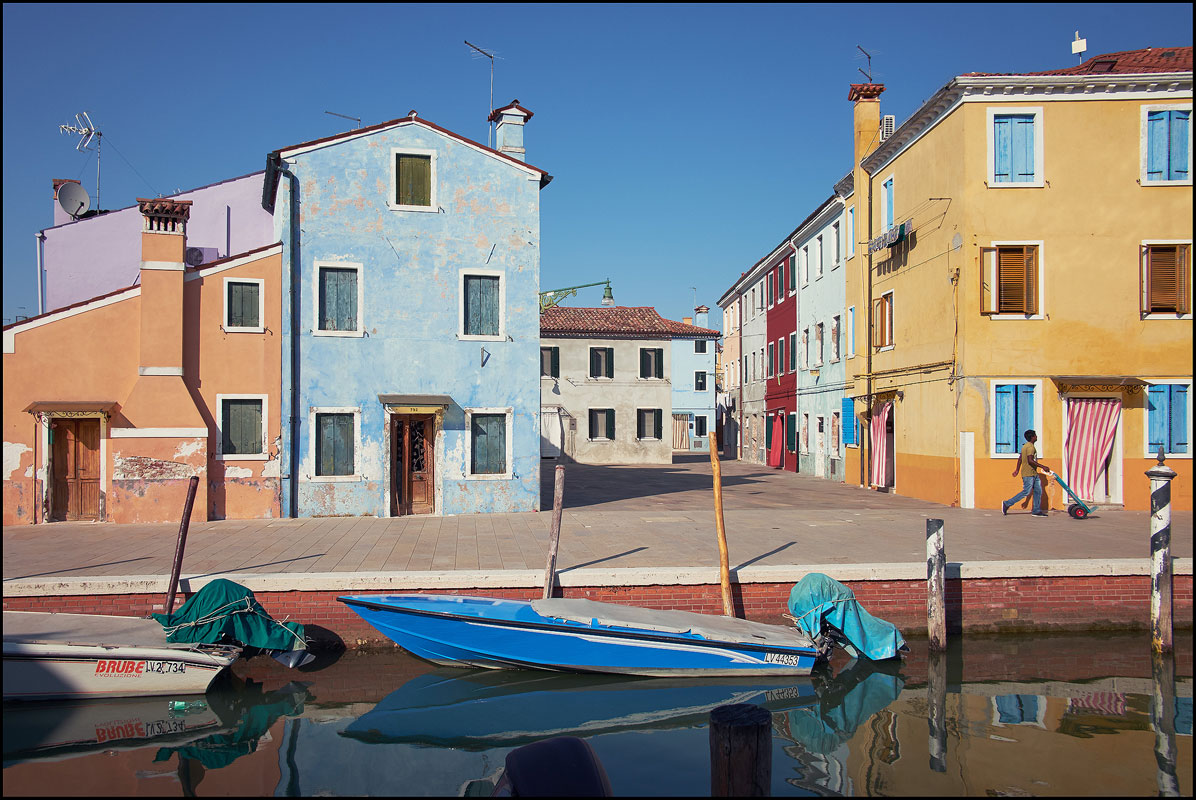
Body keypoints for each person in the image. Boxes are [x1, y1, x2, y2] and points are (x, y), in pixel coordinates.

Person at [1002, 430, 1049, 517]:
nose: (1036, 437)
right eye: (1035, 435)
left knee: (1038, 490)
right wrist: (1043, 467)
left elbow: (1020, 458)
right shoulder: (1030, 447)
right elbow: (1030, 461)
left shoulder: (1025, 446)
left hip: (1033, 473)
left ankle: (1036, 510)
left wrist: (1017, 470)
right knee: (1026, 491)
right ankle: (1007, 503)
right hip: (1028, 474)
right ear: (1032, 437)